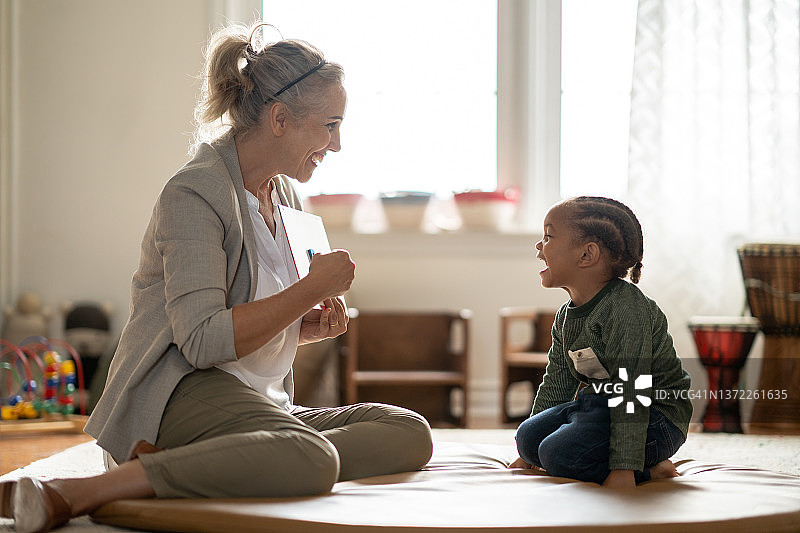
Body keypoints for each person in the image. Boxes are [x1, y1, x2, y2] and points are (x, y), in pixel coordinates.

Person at [1, 22, 432, 533]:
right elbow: (202, 342)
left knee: (408, 433)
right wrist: (310, 289)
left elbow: (261, 313)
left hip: (256, 401)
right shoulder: (195, 194)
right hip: (181, 390)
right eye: (330, 125)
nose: (336, 144)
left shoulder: (285, 195)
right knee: (314, 460)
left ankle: (244, 455)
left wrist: (305, 322)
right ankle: (80, 492)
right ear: (279, 119)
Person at [509, 196, 692, 489]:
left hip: (654, 416)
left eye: (548, 236)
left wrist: (624, 468)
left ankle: (650, 468)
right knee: (528, 438)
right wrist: (526, 454)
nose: (538, 246)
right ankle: (619, 456)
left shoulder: (625, 310)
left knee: (557, 455)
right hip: (601, 403)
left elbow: (632, 392)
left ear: (586, 255)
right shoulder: (566, 316)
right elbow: (557, 381)